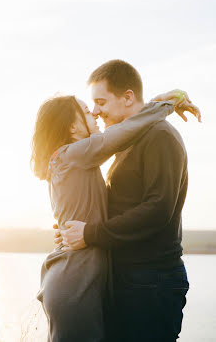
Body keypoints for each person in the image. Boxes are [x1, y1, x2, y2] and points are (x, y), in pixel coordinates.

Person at [31, 78, 199, 342]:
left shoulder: (74, 159)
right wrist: (168, 102)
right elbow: (122, 133)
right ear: (73, 127)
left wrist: (81, 229)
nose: (95, 114)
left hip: (81, 275)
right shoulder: (70, 155)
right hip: (75, 280)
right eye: (88, 111)